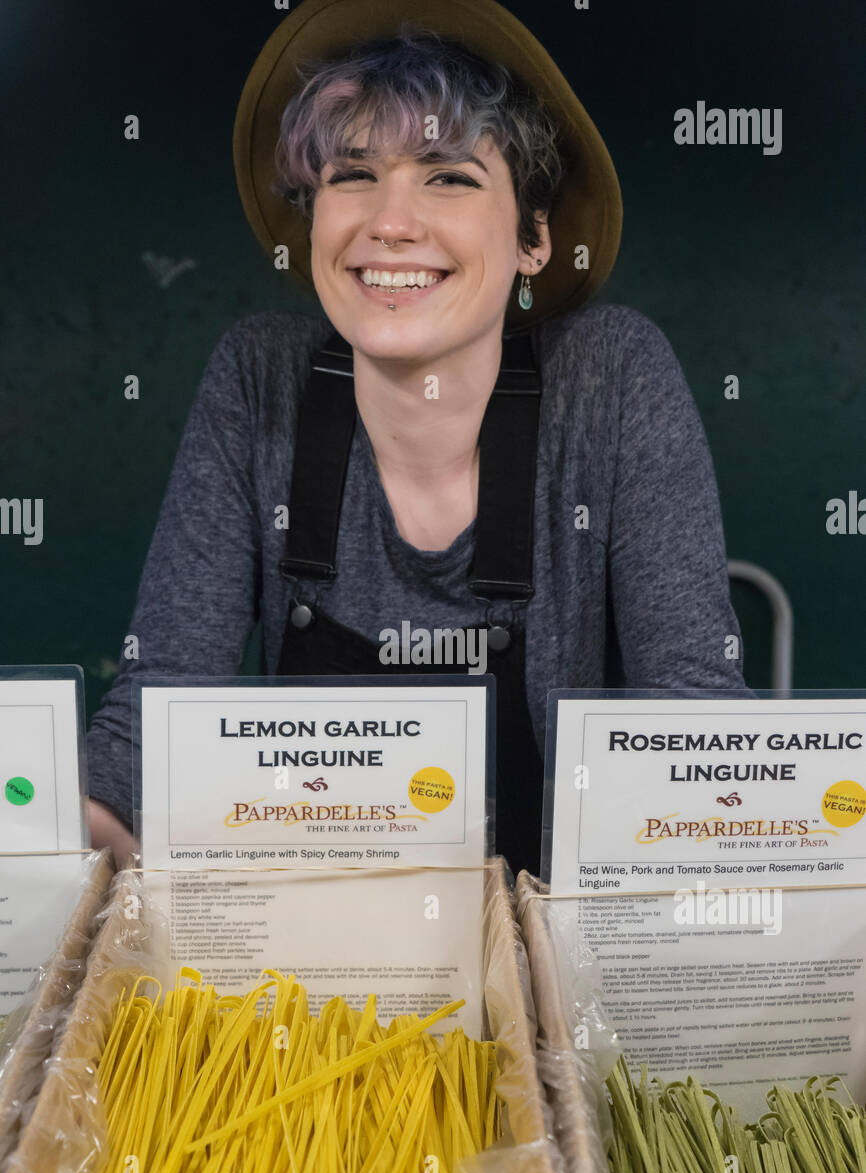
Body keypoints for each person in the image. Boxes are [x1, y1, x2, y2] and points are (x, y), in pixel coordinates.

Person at [86, 0, 748, 875]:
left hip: (552, 971)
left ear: (534, 239)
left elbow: (693, 724)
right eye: (352, 176)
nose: (389, 222)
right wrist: (72, 828)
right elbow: (152, 713)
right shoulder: (261, 378)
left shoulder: (609, 376)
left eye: (448, 177)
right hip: (315, 975)